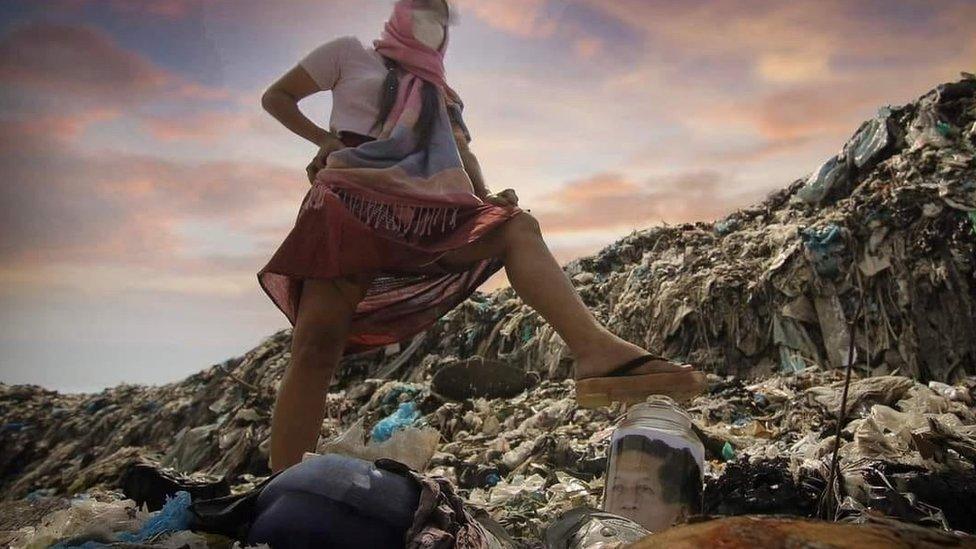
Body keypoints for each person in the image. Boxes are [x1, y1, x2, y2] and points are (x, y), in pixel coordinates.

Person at [257, 0, 705, 473]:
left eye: (442, 15)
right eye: (424, 7)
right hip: (352, 207)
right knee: (315, 347)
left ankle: (595, 351)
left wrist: (489, 197)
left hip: (426, 217)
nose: (433, 21)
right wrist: (321, 141)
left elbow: (461, 156)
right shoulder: (348, 54)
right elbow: (277, 97)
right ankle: (281, 484)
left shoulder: (441, 93)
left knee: (518, 228)